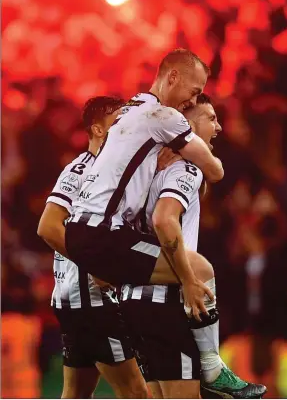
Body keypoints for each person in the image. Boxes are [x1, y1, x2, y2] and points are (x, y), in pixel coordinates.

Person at [121, 94, 267, 399]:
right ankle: (214, 367)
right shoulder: (185, 170)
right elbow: (165, 220)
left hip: (133, 299)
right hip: (166, 301)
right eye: (211, 118)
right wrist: (188, 279)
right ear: (186, 125)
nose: (220, 127)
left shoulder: (142, 169)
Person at [65, 48, 224, 322]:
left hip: (82, 229)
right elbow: (215, 170)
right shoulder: (164, 117)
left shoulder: (131, 108)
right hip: (103, 233)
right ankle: (210, 360)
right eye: (194, 91)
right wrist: (187, 281)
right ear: (173, 77)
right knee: (198, 268)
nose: (193, 100)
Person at [38, 96, 148, 399]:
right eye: (119, 123)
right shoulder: (83, 170)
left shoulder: (113, 170)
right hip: (90, 300)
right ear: (98, 130)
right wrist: (96, 265)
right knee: (136, 392)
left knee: (76, 392)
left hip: (76, 299)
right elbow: (48, 226)